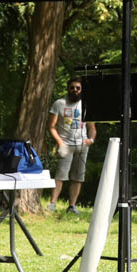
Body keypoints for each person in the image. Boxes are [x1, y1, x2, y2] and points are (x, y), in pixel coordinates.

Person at [49, 76, 97, 213]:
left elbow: (92, 128)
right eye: (72, 88)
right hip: (65, 145)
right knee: (60, 175)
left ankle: (72, 206)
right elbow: (51, 126)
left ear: (82, 90)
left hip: (82, 146)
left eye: (78, 88)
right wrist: (60, 142)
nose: (75, 90)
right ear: (68, 89)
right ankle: (52, 204)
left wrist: (91, 140)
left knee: (78, 177)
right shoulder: (59, 103)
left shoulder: (86, 104)